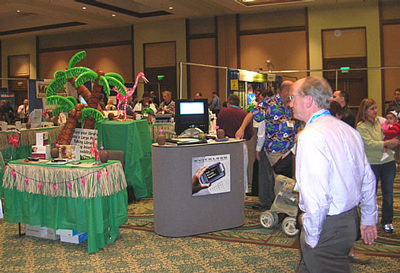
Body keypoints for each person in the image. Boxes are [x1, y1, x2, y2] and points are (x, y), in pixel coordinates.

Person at [289, 76, 378, 273]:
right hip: (348, 221)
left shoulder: (311, 136)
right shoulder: (347, 130)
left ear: (308, 100)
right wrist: (368, 218)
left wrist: (311, 237)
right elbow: (368, 179)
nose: (290, 103)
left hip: (326, 227)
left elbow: (317, 197)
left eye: (293, 97)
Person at [236, 81, 299, 211]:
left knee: (291, 180)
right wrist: (241, 129)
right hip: (275, 148)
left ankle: (289, 207)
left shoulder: (293, 104)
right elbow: (251, 114)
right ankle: (281, 209)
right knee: (280, 180)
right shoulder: (269, 103)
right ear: (286, 91)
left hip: (291, 148)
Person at [356, 98, 398, 234]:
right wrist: (387, 143)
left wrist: (392, 140)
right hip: (372, 164)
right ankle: (369, 221)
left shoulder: (381, 122)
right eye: (372, 108)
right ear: (365, 111)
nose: (375, 111)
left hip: (388, 162)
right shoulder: (361, 127)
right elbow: (370, 144)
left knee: (388, 194)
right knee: (370, 194)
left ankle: (387, 221)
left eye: (375, 108)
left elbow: (390, 134)